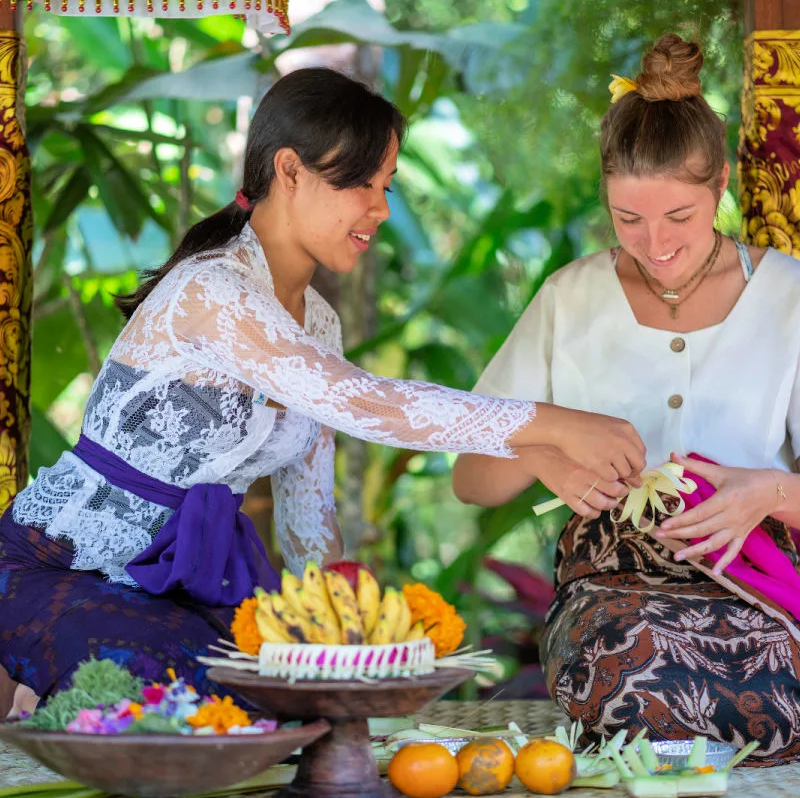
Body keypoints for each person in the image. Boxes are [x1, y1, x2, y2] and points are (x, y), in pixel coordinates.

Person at [0, 67, 645, 718]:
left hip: (181, 593)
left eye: (386, 185)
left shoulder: (320, 324)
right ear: (289, 171)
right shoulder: (212, 290)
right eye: (361, 183)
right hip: (61, 569)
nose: (382, 209)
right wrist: (553, 424)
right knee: (198, 707)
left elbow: (308, 521)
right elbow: (367, 404)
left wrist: (339, 635)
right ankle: (32, 690)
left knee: (300, 697)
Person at [452, 34, 800, 765]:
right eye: (627, 218)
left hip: (753, 585)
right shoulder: (569, 297)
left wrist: (763, 492)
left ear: (723, 183)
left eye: (679, 216)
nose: (655, 244)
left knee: (780, 701)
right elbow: (471, 477)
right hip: (610, 593)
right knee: (630, 689)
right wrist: (549, 457)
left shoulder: (789, 297)